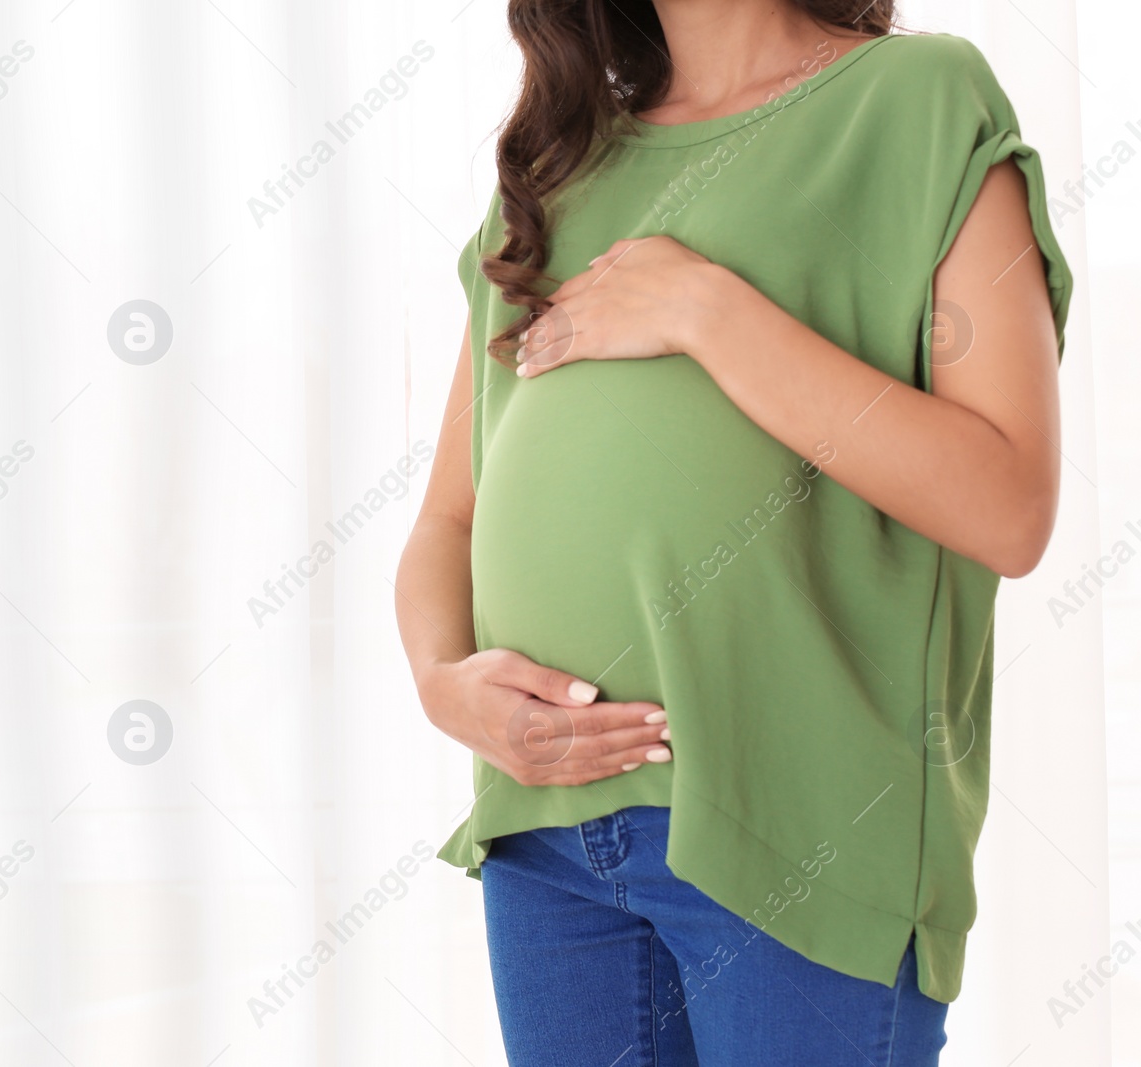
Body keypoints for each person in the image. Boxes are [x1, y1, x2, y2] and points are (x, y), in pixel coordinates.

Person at [393, 1, 1072, 1064]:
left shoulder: (917, 100)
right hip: (546, 827)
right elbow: (449, 512)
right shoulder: (557, 171)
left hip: (801, 827)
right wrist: (443, 684)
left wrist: (708, 310)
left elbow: (1009, 503)